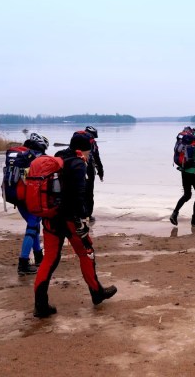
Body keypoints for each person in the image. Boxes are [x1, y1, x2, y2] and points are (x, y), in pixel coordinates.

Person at [33, 131, 117, 318]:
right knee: (87, 253)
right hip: (71, 220)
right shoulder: (79, 164)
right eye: (89, 149)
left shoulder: (59, 156)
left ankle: (40, 305)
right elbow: (79, 196)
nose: (90, 153)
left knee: (49, 260)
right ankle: (97, 293)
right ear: (84, 149)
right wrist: (83, 219)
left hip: (50, 218)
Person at [16, 132, 49, 275]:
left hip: (17, 196)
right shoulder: (38, 158)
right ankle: (23, 263)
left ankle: (38, 256)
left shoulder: (21, 156)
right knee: (31, 228)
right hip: (30, 198)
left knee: (34, 227)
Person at [81, 126, 104, 222]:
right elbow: (97, 158)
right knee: (89, 193)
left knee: (79, 192)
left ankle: (79, 214)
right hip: (88, 169)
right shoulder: (92, 142)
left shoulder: (77, 140)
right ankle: (88, 216)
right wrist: (101, 172)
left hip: (77, 169)